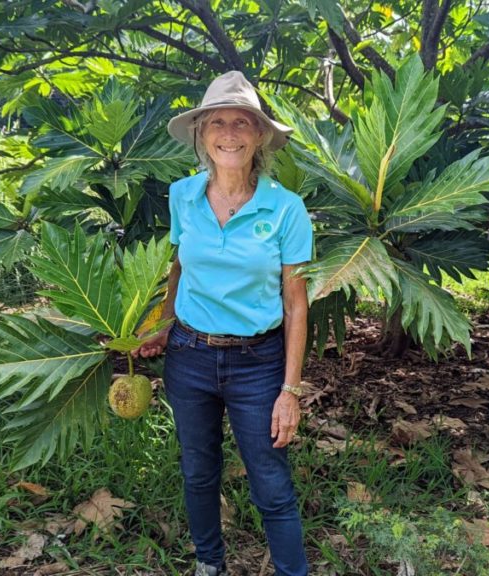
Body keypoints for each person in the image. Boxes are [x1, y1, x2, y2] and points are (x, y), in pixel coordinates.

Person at [136, 71, 312, 576]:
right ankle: (209, 565)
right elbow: (179, 265)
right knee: (198, 472)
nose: (229, 133)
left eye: (242, 122)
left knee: (270, 482)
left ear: (259, 136)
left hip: (258, 362)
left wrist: (290, 390)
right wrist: (165, 323)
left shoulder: (285, 209)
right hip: (189, 356)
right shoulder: (182, 195)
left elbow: (297, 304)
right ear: (201, 133)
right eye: (218, 122)